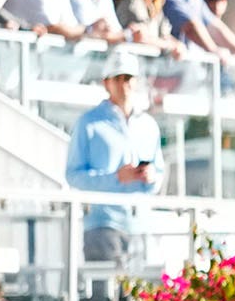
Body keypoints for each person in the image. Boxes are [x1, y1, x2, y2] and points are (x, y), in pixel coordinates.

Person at [64, 51, 162, 259]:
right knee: (106, 282)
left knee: (141, 282)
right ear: (106, 83)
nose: (123, 84)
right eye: (117, 78)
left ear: (136, 82)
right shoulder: (88, 123)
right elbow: (73, 175)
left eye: (127, 78)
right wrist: (116, 178)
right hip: (102, 225)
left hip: (140, 226)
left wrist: (151, 177)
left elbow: (158, 172)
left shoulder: (149, 125)